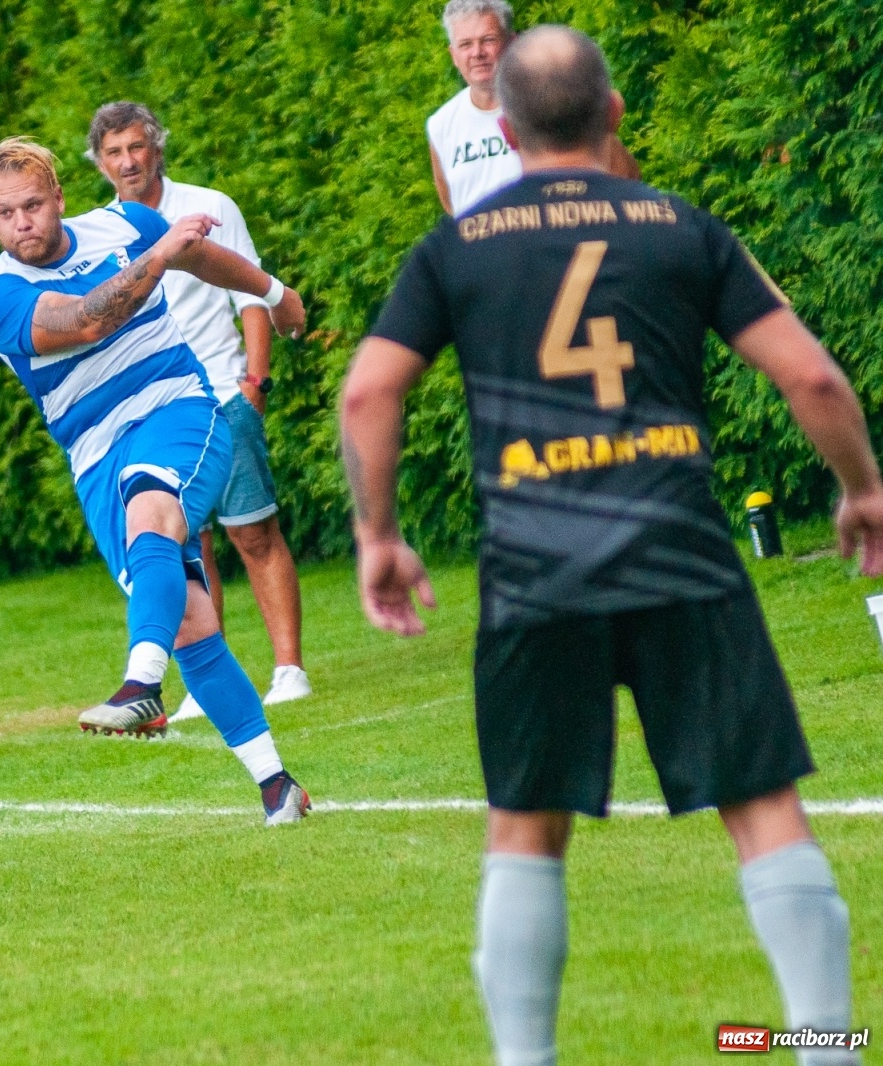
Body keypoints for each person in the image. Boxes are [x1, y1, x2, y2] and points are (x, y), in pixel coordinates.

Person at [341, 26, 882, 1066]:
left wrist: (380, 535)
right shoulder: (679, 228)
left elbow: (368, 392)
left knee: (525, 824)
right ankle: (828, 1049)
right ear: (615, 113)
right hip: (681, 551)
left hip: (536, 566)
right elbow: (811, 374)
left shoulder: (457, 247)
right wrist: (862, 488)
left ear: (502, 131)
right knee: (762, 803)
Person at [0, 137, 311, 825]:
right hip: (96, 456)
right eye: (5, 214)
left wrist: (274, 292)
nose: (22, 223)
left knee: (150, 501)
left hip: (177, 408)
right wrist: (158, 257)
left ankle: (141, 682)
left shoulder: (123, 223)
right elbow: (86, 320)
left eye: (33, 205)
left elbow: (201, 257)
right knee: (190, 622)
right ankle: (278, 786)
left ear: (59, 196)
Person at [87, 101, 311, 719]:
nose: (128, 161)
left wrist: (255, 382)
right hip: (159, 414)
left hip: (223, 393)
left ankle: (289, 669)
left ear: (157, 146)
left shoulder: (209, 205)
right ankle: (206, 683)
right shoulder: (101, 232)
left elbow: (252, 293)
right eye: (114, 152)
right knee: (188, 548)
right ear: (99, 163)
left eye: (136, 146)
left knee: (254, 532)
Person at [428, 0, 639, 217]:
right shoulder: (441, 125)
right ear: (453, 55)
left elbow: (625, 181)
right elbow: (451, 204)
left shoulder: (549, 102)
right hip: (479, 238)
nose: (477, 53)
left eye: (488, 40)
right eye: (465, 45)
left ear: (512, 43)